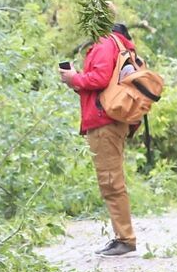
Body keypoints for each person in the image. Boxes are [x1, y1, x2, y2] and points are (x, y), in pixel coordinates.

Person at [59, 23, 139, 256]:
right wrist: (76, 80)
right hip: (108, 119)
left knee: (111, 181)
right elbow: (100, 83)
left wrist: (75, 78)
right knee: (111, 179)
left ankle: (125, 239)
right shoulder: (115, 43)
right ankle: (123, 236)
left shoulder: (105, 42)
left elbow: (101, 79)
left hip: (105, 121)